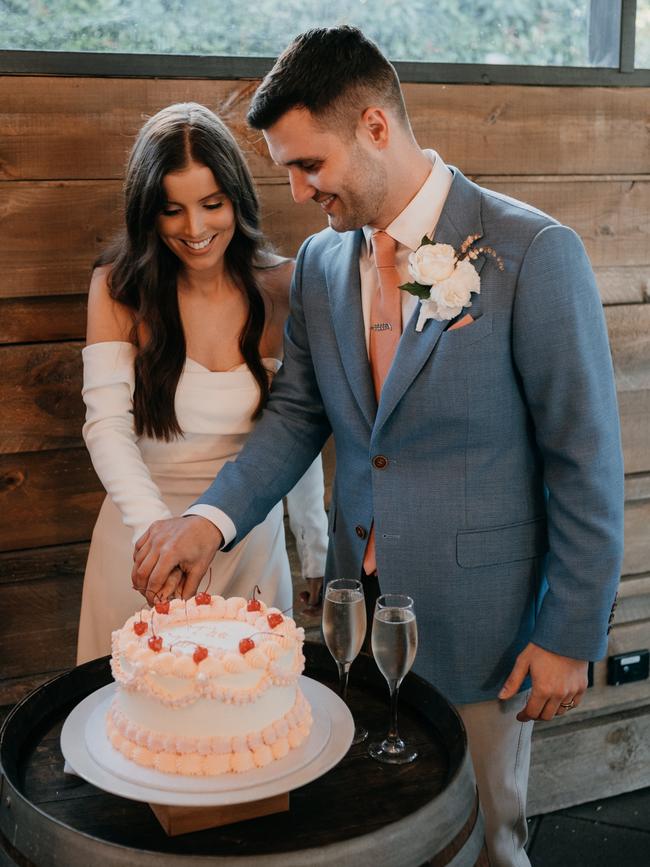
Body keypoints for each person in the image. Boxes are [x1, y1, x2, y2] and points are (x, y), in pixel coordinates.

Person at [131, 29, 624, 866]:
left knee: (489, 842)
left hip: (484, 632)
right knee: (380, 838)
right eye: (286, 169)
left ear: (375, 127)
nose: (295, 191)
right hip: (355, 622)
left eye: (308, 165)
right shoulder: (323, 265)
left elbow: (585, 458)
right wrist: (209, 521)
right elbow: (296, 415)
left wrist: (571, 632)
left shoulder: (531, 253)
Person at [76, 102, 328, 664]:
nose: (195, 229)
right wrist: (161, 541)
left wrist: (314, 547)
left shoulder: (283, 285)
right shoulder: (117, 287)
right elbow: (107, 426)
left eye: (212, 205)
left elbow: (299, 426)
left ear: (238, 197)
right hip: (140, 546)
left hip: (248, 544)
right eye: (172, 211)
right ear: (147, 213)